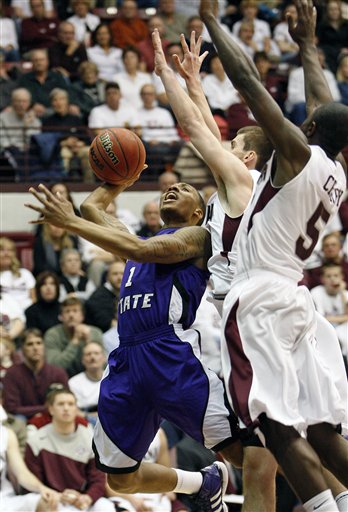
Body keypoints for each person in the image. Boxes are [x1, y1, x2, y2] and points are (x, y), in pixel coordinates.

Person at [200, 1, 348, 510]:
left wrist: (214, 25)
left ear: (307, 132)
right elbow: (326, 103)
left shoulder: (297, 152)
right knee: (325, 432)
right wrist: (308, 46)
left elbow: (249, 86)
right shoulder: (337, 172)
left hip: (260, 295)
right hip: (298, 298)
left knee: (275, 427)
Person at [25, 181, 245, 511]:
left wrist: (67, 221)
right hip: (126, 361)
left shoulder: (195, 238)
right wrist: (118, 181)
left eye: (184, 189)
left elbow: (136, 250)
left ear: (198, 212)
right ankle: (202, 482)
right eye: (169, 187)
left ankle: (326, 485)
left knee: (243, 453)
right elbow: (91, 209)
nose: (173, 188)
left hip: (167, 354)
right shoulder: (137, 242)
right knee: (120, 477)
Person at [152, 28, 277, 512]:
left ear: (246, 157)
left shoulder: (242, 181)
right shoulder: (238, 186)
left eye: (235, 142)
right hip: (239, 318)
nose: (224, 144)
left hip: (250, 319)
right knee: (260, 453)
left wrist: (167, 74)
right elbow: (207, 126)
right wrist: (195, 80)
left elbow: (198, 129)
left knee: (269, 453)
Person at [25, 387, 115, 512]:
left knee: (106, 508)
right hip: (54, 498)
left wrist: (87, 498)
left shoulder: (90, 438)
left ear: (76, 409)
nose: (66, 408)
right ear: (51, 409)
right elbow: (34, 483)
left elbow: (98, 479)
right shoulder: (36, 441)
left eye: (71, 404)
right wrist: (59, 496)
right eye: (61, 404)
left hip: (85, 498)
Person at [3, 328, 69, 420]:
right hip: (25, 420)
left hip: (53, 418)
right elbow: (13, 408)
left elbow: (65, 402)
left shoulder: (58, 373)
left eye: (39, 343)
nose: (35, 348)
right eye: (30, 344)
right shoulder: (12, 374)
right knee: (19, 418)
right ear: (22, 349)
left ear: (44, 347)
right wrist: (44, 408)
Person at [1, 425, 59, 512]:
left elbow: (22, 473)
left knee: (47, 502)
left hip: (4, 499)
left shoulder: (6, 434)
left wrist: (41, 488)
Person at [44, 296, 103, 377]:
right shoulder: (52, 334)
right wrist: (74, 341)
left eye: (75, 311)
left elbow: (103, 365)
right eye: (67, 311)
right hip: (62, 379)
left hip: (92, 379)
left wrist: (88, 342)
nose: (71, 315)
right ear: (61, 317)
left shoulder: (95, 333)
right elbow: (54, 366)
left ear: (82, 316)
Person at [311, 262, 348, 361]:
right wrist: (342, 318)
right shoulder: (316, 293)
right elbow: (321, 319)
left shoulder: (345, 294)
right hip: (324, 330)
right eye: (328, 276)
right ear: (322, 279)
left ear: (342, 278)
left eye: (336, 275)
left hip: (342, 331)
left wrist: (342, 293)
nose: (332, 279)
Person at [68, 341, 106, 424]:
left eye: (96, 353)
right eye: (88, 354)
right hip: (86, 421)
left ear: (104, 358)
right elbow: (75, 411)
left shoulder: (113, 378)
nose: (92, 357)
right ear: (82, 360)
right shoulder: (74, 382)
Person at [85, 260, 125, 332]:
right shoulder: (98, 297)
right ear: (107, 277)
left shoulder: (130, 292)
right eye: (115, 274)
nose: (120, 278)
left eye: (123, 274)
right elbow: (109, 323)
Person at [0, 236, 36, 313]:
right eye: (2, 250)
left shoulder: (25, 273)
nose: (6, 254)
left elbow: (34, 299)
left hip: (28, 312)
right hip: (5, 315)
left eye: (10, 250)